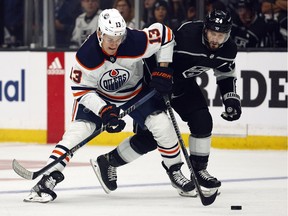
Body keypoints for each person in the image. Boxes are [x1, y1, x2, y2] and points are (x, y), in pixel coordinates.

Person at [24, 8, 194, 203]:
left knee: (163, 125)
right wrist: (104, 110)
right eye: (109, 38)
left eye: (118, 38)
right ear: (99, 34)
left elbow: (166, 35)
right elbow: (81, 90)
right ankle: (48, 179)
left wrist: (163, 70)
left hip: (135, 93)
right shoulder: (87, 56)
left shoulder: (134, 41)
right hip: (99, 97)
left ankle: (175, 172)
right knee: (78, 132)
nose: (114, 44)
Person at [95, 9, 242, 196]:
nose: (215, 39)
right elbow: (156, 48)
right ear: (205, 29)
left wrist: (230, 97)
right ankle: (108, 161)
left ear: (228, 35)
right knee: (149, 138)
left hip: (183, 85)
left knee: (202, 120)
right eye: (213, 33)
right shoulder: (187, 35)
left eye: (221, 36)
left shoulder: (229, 49)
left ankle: (198, 171)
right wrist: (159, 75)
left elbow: (225, 71)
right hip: (152, 85)